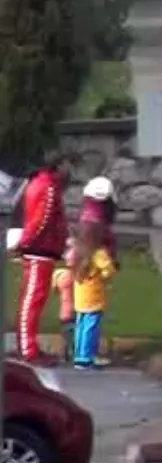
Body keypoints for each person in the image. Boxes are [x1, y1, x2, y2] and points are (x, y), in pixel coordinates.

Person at [14, 151, 71, 364]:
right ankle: (28, 349)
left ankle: (28, 346)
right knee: (32, 299)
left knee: (33, 299)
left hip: (41, 249)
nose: (69, 169)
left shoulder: (43, 184)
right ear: (57, 165)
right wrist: (27, 243)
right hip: (40, 250)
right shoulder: (47, 187)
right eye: (66, 164)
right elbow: (42, 220)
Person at [71, 179, 119, 370]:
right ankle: (85, 357)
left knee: (81, 323)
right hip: (94, 295)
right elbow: (108, 270)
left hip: (81, 291)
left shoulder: (80, 252)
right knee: (91, 325)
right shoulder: (98, 252)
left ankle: (79, 354)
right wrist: (110, 270)